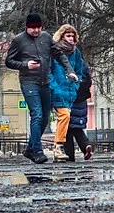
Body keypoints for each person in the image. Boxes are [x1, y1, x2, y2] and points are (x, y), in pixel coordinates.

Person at [5, 13, 78, 164]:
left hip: (45, 82)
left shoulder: (46, 37)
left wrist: (69, 70)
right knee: (36, 114)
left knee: (45, 117)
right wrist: (25, 65)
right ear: (27, 27)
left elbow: (58, 54)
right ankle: (38, 151)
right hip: (29, 81)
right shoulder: (19, 40)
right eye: (33, 28)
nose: (36, 31)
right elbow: (9, 61)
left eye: (38, 27)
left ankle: (29, 148)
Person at [49, 24, 85, 162]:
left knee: (64, 118)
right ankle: (57, 147)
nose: (71, 39)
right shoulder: (54, 50)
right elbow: (49, 70)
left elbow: (79, 71)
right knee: (64, 116)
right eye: (68, 36)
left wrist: (76, 84)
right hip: (57, 89)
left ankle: (57, 148)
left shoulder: (76, 53)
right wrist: (54, 87)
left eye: (72, 36)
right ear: (62, 36)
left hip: (69, 91)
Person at [65, 64, 93, 161]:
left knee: (66, 128)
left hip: (70, 100)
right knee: (76, 128)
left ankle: (69, 155)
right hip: (82, 100)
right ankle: (86, 146)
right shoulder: (82, 65)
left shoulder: (67, 64)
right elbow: (89, 81)